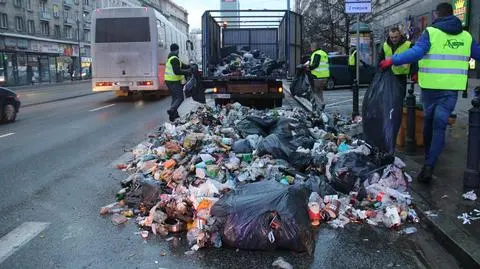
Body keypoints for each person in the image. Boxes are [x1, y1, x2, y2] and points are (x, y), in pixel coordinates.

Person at [379, 2, 480, 183]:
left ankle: (428, 158)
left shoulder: (431, 33)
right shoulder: (466, 36)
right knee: (440, 126)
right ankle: (430, 164)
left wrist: (392, 60)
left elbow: (416, 52)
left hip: (430, 90)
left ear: (437, 15)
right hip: (450, 90)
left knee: (429, 123)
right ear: (453, 14)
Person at [378, 27, 417, 99]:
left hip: (401, 75)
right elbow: (380, 60)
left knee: (400, 97)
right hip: (388, 75)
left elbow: (414, 60)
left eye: (396, 37)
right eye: (392, 37)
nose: (394, 39)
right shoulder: (385, 45)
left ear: (400, 35)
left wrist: (414, 72)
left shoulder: (408, 45)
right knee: (389, 98)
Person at [164, 43, 191, 122]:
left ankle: (174, 115)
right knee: (180, 97)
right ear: (177, 50)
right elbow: (177, 71)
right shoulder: (174, 59)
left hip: (169, 81)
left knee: (175, 97)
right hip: (173, 81)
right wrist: (188, 72)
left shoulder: (173, 58)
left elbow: (184, 66)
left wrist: (191, 66)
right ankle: (172, 110)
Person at [306, 42, 329, 113]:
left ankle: (321, 104)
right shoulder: (324, 53)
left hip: (317, 76)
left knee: (313, 92)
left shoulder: (316, 54)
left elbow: (315, 64)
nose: (310, 49)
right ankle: (320, 108)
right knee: (320, 92)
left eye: (311, 47)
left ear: (314, 47)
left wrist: (309, 68)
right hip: (325, 77)